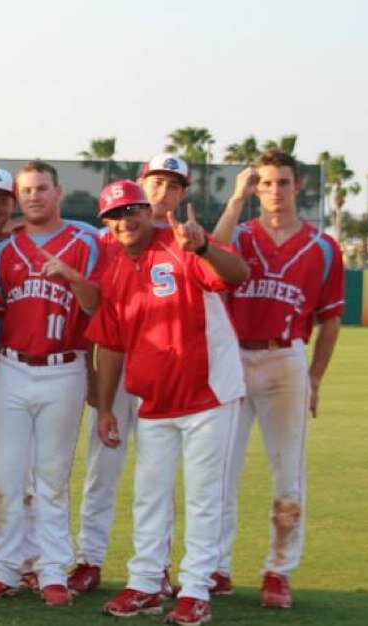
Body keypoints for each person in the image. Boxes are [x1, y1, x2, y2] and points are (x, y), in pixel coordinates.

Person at [90, 179, 250, 626]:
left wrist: (203, 249)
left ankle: (196, 588)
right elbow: (112, 347)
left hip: (208, 395)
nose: (126, 220)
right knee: (149, 496)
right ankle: (145, 583)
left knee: (203, 498)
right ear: (107, 224)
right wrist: (105, 408)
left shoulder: (182, 245)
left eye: (133, 210)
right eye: (116, 216)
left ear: (147, 209)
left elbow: (239, 275)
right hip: (155, 401)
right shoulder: (115, 270)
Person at [211, 150, 344, 608]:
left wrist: (317, 376)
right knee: (219, 472)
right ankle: (215, 567)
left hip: (285, 358)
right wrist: (234, 200)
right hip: (234, 358)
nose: (273, 191)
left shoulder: (323, 247)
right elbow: (209, 257)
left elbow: (330, 321)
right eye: (264, 183)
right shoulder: (242, 235)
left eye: (281, 182)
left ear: (298, 186)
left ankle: (278, 571)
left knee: (288, 473)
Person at [0, 161, 101, 607]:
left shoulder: (85, 241)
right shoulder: (4, 251)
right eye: (25, 190)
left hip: (65, 367)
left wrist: (71, 276)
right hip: (11, 366)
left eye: (41, 188)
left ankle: (51, 570)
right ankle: (4, 568)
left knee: (51, 477)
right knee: (6, 477)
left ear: (57, 192)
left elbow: (97, 305)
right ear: (17, 197)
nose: (33, 196)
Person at [70, 154, 191, 596]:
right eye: (157, 182)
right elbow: (92, 310)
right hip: (116, 367)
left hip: (164, 369)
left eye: (174, 186)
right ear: (140, 187)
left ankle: (157, 565)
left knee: (159, 473)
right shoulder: (103, 240)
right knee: (102, 465)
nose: (164, 192)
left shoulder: (181, 241)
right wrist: (90, 372)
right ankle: (90, 558)